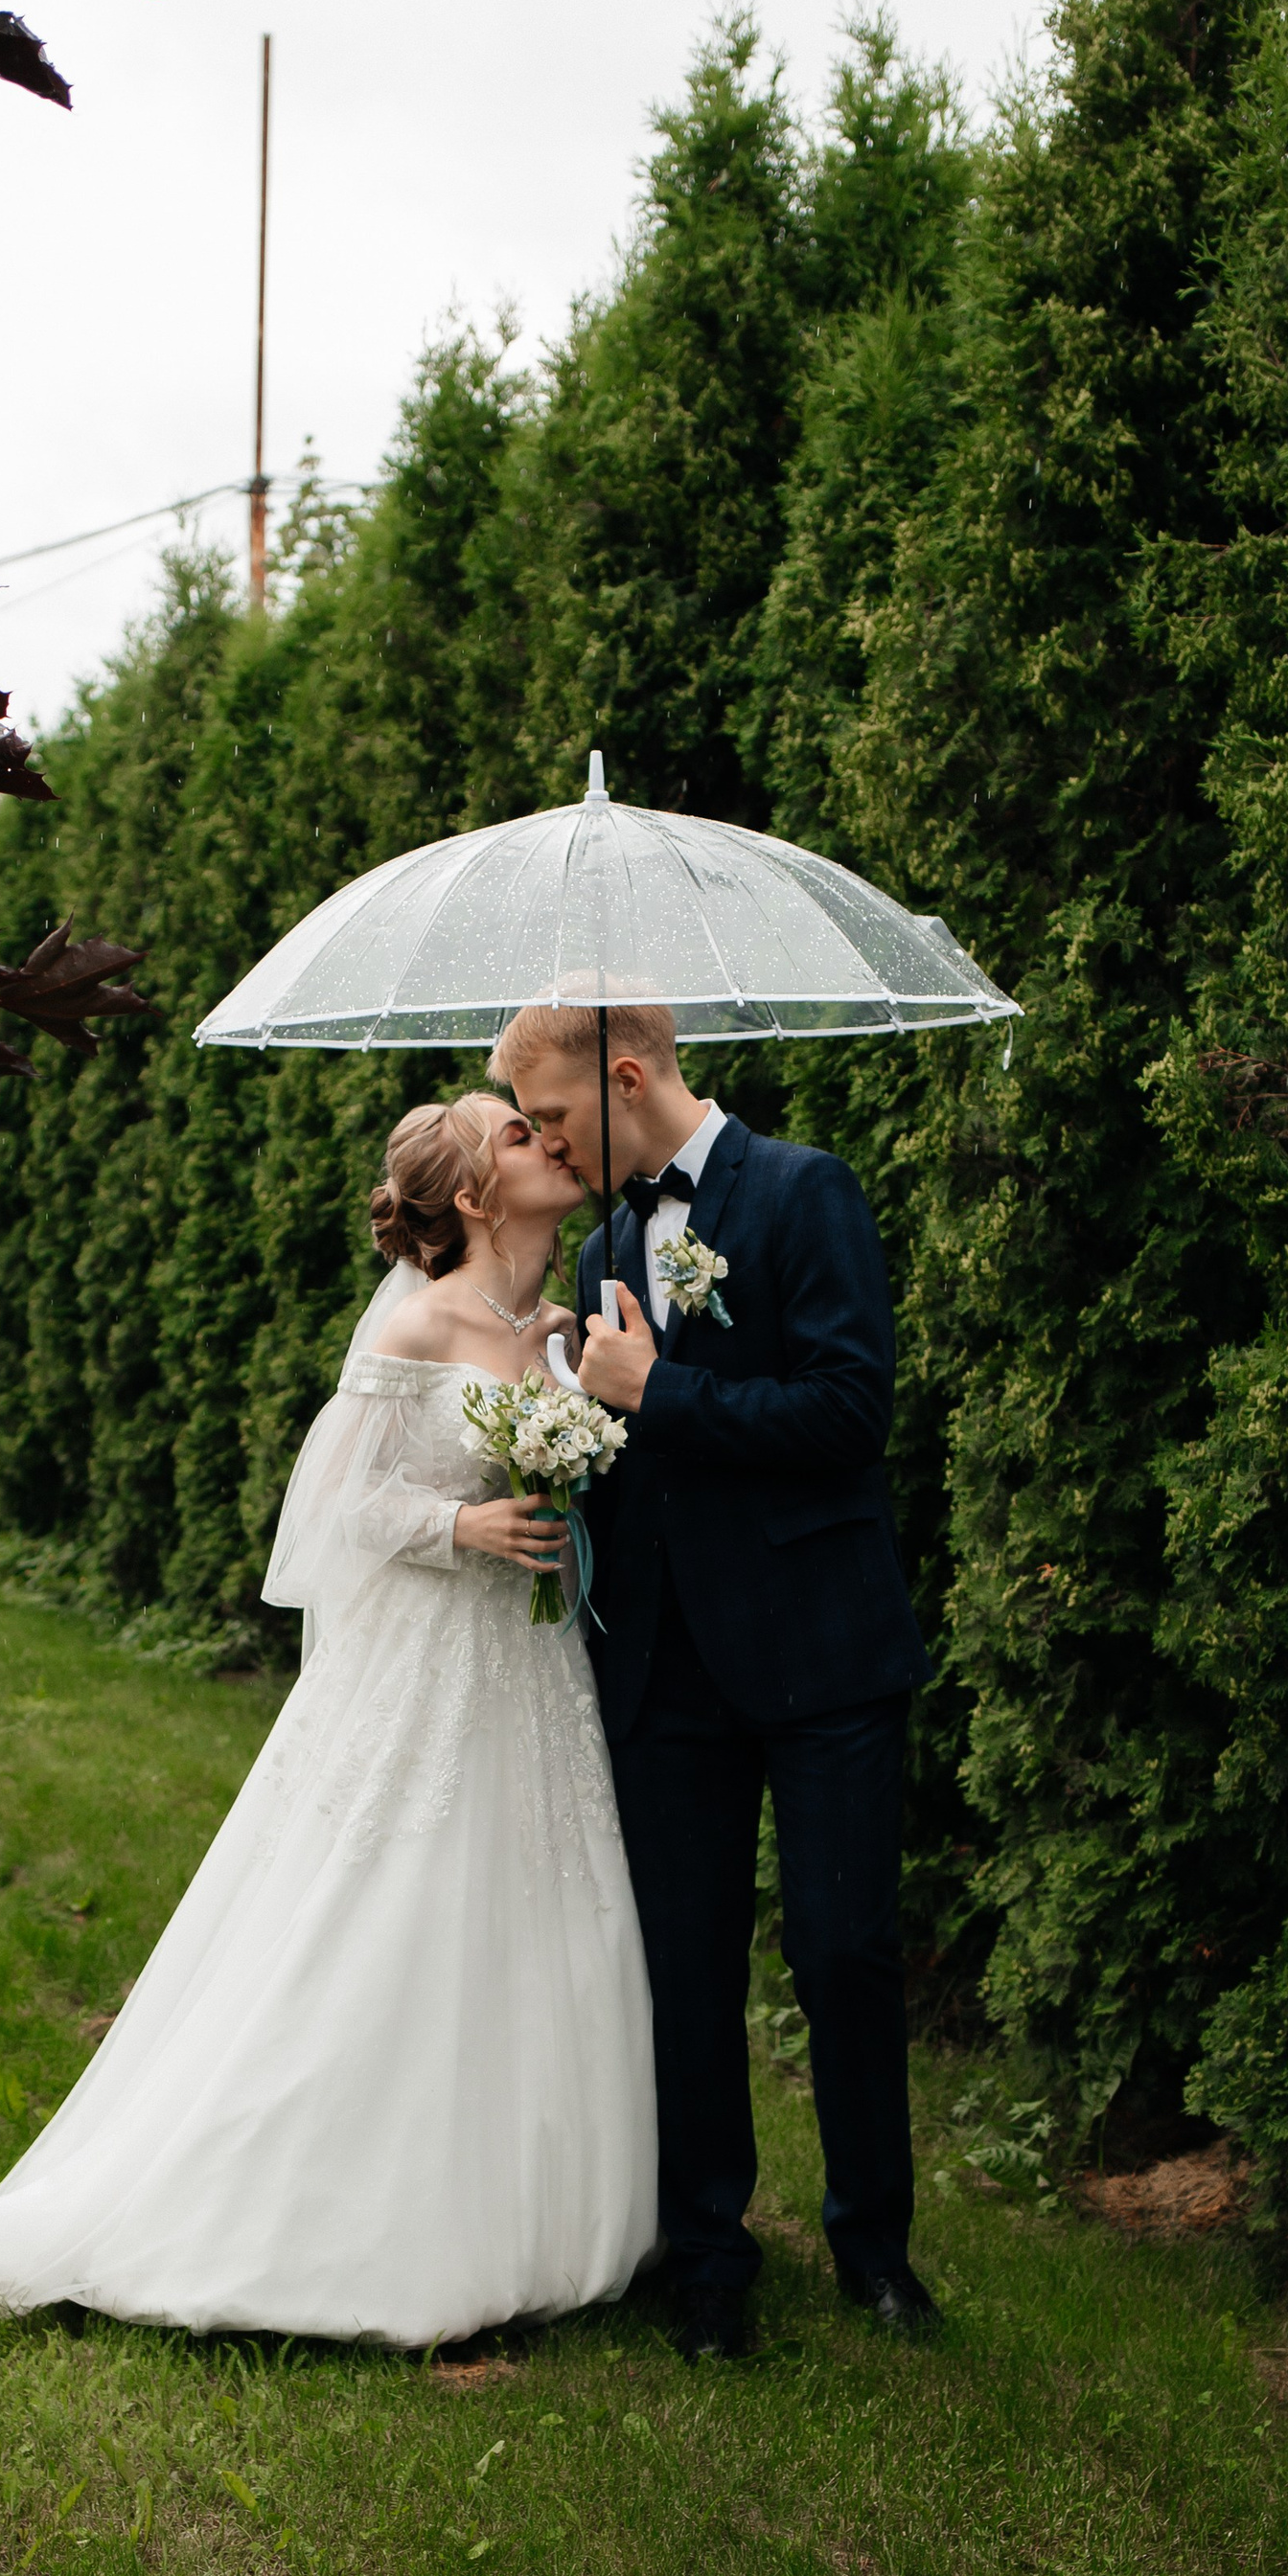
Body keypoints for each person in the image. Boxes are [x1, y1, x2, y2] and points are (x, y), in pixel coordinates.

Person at [0, 1093, 657, 2348]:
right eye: (522, 1136)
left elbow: (574, 1465)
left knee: (530, 1905)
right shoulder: (421, 1320)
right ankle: (307, 2214)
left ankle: (540, 2217)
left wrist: (593, 1418)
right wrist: (460, 1524)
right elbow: (329, 1509)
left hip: (532, 1673)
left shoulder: (559, 1325)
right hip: (429, 1664)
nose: (552, 1141)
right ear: (477, 1196)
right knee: (389, 1908)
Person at [497, 1001, 935, 2364]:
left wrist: (654, 1390)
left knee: (841, 1947)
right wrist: (557, 1449)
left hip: (817, 1648)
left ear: (626, 1077)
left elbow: (851, 1412)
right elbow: (637, 1448)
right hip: (665, 1659)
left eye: (556, 1114)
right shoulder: (608, 1239)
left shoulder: (808, 1193)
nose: (549, 1143)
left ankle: (875, 2250)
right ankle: (708, 2261)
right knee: (682, 1967)